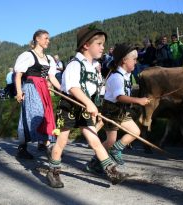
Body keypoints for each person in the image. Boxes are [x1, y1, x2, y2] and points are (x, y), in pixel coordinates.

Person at [46, 25, 128, 188]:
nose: (102, 47)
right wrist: (89, 103)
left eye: (103, 44)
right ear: (86, 45)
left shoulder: (94, 67)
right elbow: (72, 87)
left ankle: (111, 171)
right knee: (62, 141)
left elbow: (97, 89)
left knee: (94, 139)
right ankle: (53, 171)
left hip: (84, 108)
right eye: (99, 43)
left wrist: (96, 103)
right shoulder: (75, 64)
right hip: (69, 106)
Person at [86, 43, 151, 171]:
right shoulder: (117, 77)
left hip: (122, 110)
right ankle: (95, 161)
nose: (136, 62)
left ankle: (116, 149)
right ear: (124, 61)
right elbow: (119, 97)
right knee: (110, 140)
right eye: (134, 59)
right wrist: (138, 100)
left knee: (135, 132)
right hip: (111, 111)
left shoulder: (127, 75)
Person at [14, 29, 61, 160]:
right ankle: (23, 148)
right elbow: (18, 75)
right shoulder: (27, 55)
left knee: (46, 115)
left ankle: (44, 143)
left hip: (43, 89)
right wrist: (19, 91)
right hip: (31, 88)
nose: (48, 41)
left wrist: (63, 90)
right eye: (46, 38)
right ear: (37, 39)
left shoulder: (49, 58)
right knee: (35, 114)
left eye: (48, 38)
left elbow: (51, 76)